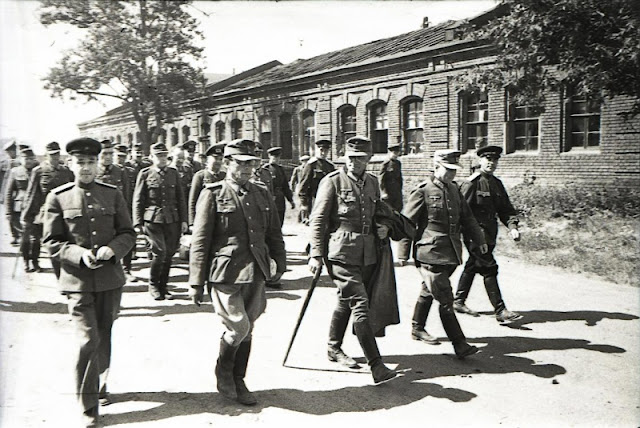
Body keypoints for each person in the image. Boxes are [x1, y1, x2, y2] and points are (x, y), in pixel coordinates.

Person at [42, 137, 135, 427]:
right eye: (80, 162)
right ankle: (88, 406)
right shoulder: (58, 197)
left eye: (91, 162)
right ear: (70, 164)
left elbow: (128, 233)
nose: (86, 168)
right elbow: (52, 242)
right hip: (77, 282)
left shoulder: (113, 193)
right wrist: (80, 254)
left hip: (109, 280)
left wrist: (113, 249)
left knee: (104, 335)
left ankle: (99, 380)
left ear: (98, 164)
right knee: (88, 339)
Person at [188, 139, 286, 406]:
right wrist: (196, 282)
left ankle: (239, 379)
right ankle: (224, 372)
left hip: (255, 269)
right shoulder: (213, 193)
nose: (245, 170)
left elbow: (273, 232)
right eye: (240, 164)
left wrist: (280, 262)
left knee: (248, 327)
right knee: (238, 326)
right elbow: (200, 240)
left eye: (250, 164)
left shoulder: (262, 192)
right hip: (225, 272)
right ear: (227, 163)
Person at [308, 135, 398, 384]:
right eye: (350, 158)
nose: (354, 163)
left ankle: (333, 347)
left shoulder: (372, 182)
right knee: (360, 303)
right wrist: (316, 253)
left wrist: (384, 226)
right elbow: (318, 220)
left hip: (368, 253)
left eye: (360, 158)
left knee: (346, 300)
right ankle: (376, 365)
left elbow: (380, 212)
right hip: (341, 253)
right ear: (344, 157)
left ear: (368, 159)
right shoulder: (332, 182)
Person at [402, 149, 488, 358]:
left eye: (454, 170)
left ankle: (417, 327)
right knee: (445, 298)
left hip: (450, 252)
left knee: (430, 290)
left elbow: (467, 218)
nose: (452, 174)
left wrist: (480, 240)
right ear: (436, 166)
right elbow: (406, 223)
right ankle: (459, 344)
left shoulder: (454, 190)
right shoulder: (422, 190)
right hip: (429, 252)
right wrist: (403, 253)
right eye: (447, 170)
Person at [454, 145, 523, 323]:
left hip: (490, 233)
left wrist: (513, 226)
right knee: (488, 267)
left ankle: (458, 300)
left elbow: (505, 209)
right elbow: (461, 211)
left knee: (473, 265)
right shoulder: (472, 183)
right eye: (488, 159)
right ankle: (500, 310)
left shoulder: (496, 184)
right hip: (474, 234)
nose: (491, 163)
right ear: (480, 160)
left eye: (495, 160)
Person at [133, 142, 188, 300]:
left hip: (172, 219)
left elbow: (180, 198)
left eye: (164, 155)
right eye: (158, 156)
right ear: (151, 157)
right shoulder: (144, 174)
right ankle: (153, 284)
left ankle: (164, 287)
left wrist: (184, 220)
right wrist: (137, 223)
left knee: (169, 254)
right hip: (153, 219)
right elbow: (138, 199)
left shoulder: (173, 173)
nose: (162, 159)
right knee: (159, 252)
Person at [21, 141, 74, 276]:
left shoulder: (66, 171)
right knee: (52, 244)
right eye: (51, 155)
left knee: (67, 244)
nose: (55, 157)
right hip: (47, 215)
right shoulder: (38, 171)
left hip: (66, 213)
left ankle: (66, 274)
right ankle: (56, 275)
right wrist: (26, 216)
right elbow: (31, 194)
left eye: (57, 154)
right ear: (46, 155)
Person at [379, 142, 412, 266]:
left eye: (397, 152)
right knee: (389, 216)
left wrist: (400, 192)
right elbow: (381, 180)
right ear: (390, 152)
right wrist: (383, 193)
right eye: (394, 152)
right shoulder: (385, 164)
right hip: (388, 194)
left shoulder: (398, 163)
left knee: (397, 215)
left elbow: (400, 179)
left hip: (396, 193)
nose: (395, 154)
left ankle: (396, 233)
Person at [5, 147, 38, 270]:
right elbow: (8, 192)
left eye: (30, 158)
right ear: (20, 159)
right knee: (25, 238)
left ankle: (35, 261)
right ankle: (26, 262)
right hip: (20, 209)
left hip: (35, 209)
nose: (28, 161)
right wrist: (8, 212)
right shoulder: (15, 172)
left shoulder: (38, 171)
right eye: (25, 158)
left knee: (36, 239)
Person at [188, 142, 226, 226]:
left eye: (220, 159)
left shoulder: (224, 176)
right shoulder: (200, 176)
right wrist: (192, 222)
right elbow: (193, 200)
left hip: (221, 218)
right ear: (208, 159)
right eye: (215, 158)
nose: (218, 162)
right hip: (204, 217)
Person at [298, 139, 334, 223]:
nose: (323, 153)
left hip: (328, 199)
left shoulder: (330, 166)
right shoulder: (311, 165)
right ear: (317, 150)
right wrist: (304, 204)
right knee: (316, 223)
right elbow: (303, 185)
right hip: (314, 199)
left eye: (326, 151)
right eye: (321, 150)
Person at [265, 146, 295, 226]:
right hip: (269, 198)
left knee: (280, 218)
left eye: (277, 156)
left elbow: (285, 186)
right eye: (274, 156)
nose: (276, 158)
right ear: (269, 156)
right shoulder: (265, 169)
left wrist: (290, 200)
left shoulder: (281, 169)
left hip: (280, 198)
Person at [0, 141, 20, 205]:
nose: (11, 153)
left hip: (17, 194)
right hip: (4, 193)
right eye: (9, 151)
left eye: (13, 150)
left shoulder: (20, 163)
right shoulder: (3, 163)